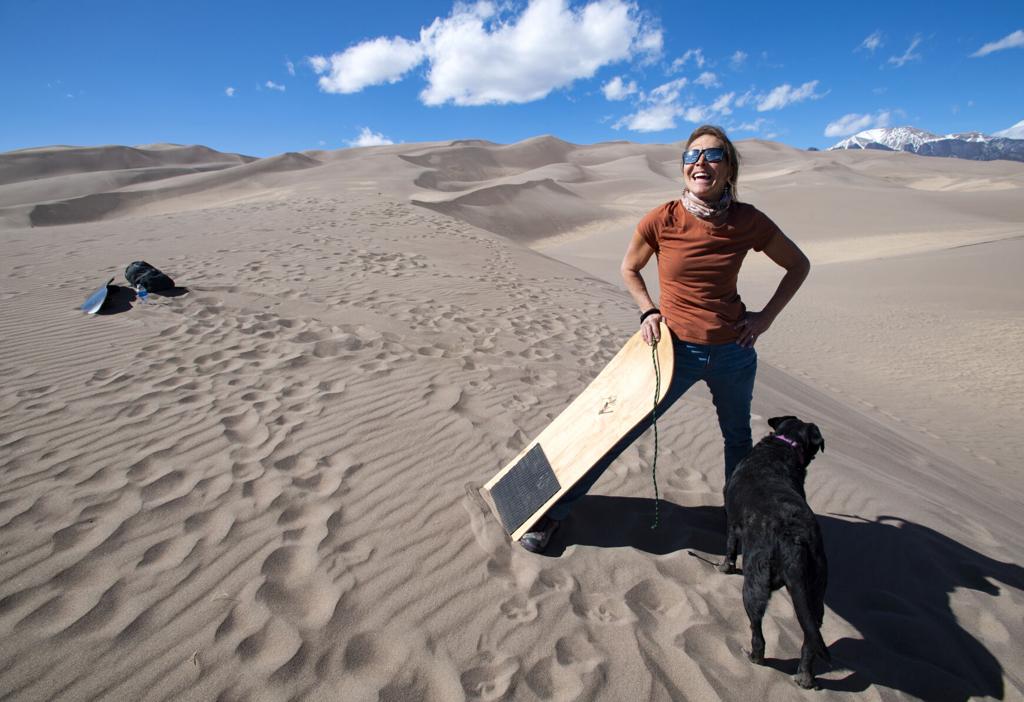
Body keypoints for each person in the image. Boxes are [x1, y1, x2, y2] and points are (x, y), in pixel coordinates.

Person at [519, 125, 810, 553]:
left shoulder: (749, 221)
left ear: (729, 169)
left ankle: (741, 524)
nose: (700, 164)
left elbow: (798, 265)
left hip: (734, 352)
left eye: (712, 156)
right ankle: (552, 514)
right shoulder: (663, 218)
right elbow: (629, 269)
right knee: (618, 428)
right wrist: (648, 309)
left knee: (737, 440)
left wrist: (765, 318)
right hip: (675, 352)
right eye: (691, 156)